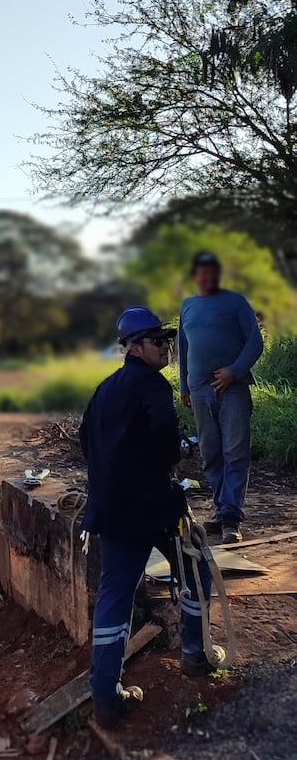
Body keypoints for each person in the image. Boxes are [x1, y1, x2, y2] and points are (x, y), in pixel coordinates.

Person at [80, 307, 223, 729]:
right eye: (158, 341)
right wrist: (171, 459)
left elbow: (87, 440)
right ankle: (196, 656)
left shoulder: (105, 390)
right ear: (135, 347)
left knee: (115, 596)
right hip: (154, 509)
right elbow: (165, 441)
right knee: (196, 570)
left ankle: (105, 695)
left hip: (111, 511)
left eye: (167, 340)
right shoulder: (153, 387)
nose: (166, 347)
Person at [178, 249, 263, 546]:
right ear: (195, 275)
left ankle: (231, 519)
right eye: (202, 271)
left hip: (232, 387)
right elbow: (184, 349)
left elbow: (255, 342)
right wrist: (184, 387)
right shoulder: (188, 305)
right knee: (210, 451)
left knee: (235, 451)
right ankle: (220, 507)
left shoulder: (236, 302)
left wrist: (234, 372)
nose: (208, 276)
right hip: (200, 390)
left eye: (213, 271)